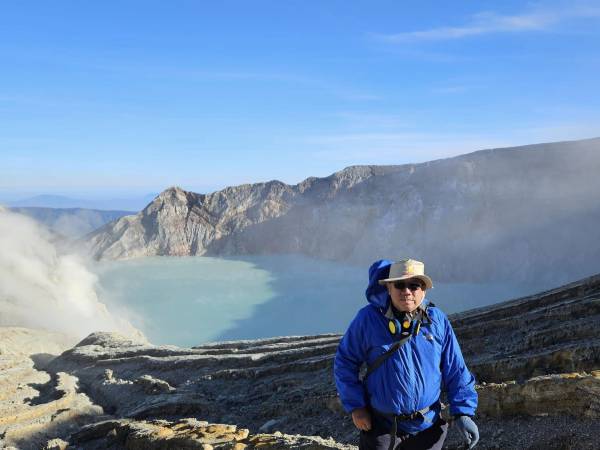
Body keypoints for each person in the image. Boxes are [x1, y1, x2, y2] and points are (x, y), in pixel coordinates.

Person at [334, 259, 479, 450]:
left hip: (428, 427)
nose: (407, 291)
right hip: (381, 428)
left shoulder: (436, 320)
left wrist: (463, 412)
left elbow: (456, 369)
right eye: (400, 285)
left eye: (414, 285)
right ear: (388, 288)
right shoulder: (368, 319)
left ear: (424, 290)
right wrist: (357, 407)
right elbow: (345, 362)